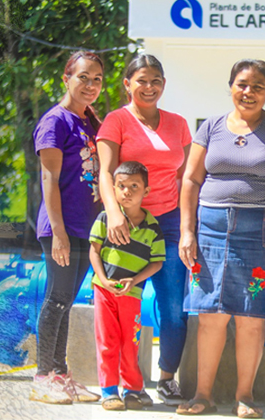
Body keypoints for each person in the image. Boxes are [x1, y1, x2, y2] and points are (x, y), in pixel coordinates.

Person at [177, 59, 265, 418]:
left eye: (258, 86)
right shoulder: (210, 127)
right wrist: (187, 231)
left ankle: (245, 397)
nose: (249, 92)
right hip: (211, 230)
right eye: (242, 84)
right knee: (210, 315)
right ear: (231, 85)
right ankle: (203, 395)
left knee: (252, 315)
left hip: (261, 229)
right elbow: (190, 179)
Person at [96, 54, 191, 406]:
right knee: (119, 306)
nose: (149, 87)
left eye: (156, 81)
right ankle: (119, 384)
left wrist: (187, 226)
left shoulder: (179, 124)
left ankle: (166, 378)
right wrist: (113, 213)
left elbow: (186, 178)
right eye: (141, 81)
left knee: (174, 307)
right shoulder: (115, 121)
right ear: (127, 84)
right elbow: (106, 172)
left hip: (167, 222)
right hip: (127, 223)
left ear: (163, 85)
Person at [30, 51, 103, 405]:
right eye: (83, 77)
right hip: (62, 227)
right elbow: (49, 178)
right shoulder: (55, 121)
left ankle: (61, 373)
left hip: (85, 228)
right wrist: (58, 231)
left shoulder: (89, 122)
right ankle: (44, 376)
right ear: (66, 78)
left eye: (97, 79)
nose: (90, 85)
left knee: (67, 301)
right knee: (56, 299)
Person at [89, 161, 164, 411]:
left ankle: (132, 389)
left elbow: (157, 263)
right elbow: (94, 251)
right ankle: (109, 391)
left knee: (130, 343)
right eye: (121, 186)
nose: (127, 192)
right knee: (107, 341)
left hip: (131, 294)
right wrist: (102, 278)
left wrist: (135, 280)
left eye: (134, 186)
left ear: (147, 191)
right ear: (113, 188)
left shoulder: (153, 229)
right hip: (103, 291)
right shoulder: (105, 219)